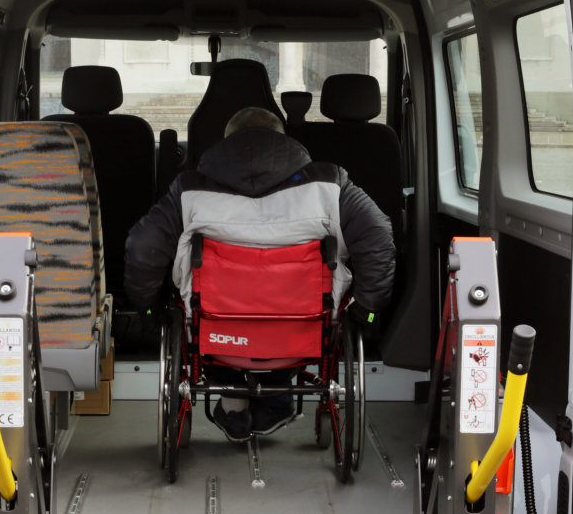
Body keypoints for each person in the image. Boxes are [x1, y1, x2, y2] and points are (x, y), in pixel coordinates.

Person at [125, 107, 395, 442]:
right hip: (303, 334)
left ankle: (234, 402)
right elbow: (378, 238)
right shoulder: (331, 184)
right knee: (315, 312)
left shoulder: (189, 189)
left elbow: (142, 247)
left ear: (226, 145)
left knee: (196, 310)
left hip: (216, 335)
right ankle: (277, 397)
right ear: (282, 140)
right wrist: (366, 308)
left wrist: (150, 308)